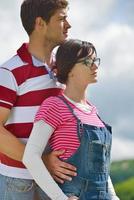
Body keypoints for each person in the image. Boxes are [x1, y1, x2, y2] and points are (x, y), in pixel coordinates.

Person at [23, 39, 120, 200]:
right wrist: (60, 198)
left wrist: (114, 197)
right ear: (69, 69)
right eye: (88, 62)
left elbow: (102, 168)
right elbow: (30, 157)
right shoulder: (54, 106)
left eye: (95, 60)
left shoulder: (94, 112)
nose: (95, 66)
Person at [0, 1, 77, 200]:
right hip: (18, 182)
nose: (68, 25)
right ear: (40, 23)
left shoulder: (65, 71)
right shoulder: (10, 71)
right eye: (61, 19)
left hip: (55, 181)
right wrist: (41, 161)